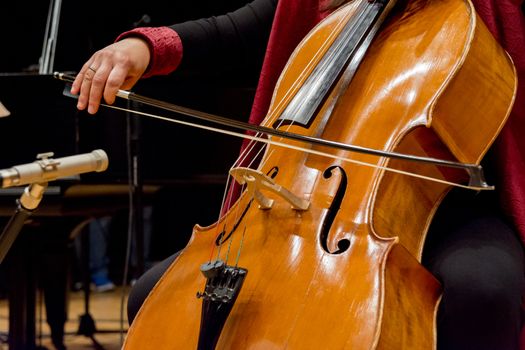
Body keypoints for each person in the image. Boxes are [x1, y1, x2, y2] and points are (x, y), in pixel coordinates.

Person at [71, 0, 525, 349]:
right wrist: (146, 47)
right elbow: (242, 29)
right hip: (313, 203)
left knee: (483, 292)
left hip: (454, 204)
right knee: (154, 294)